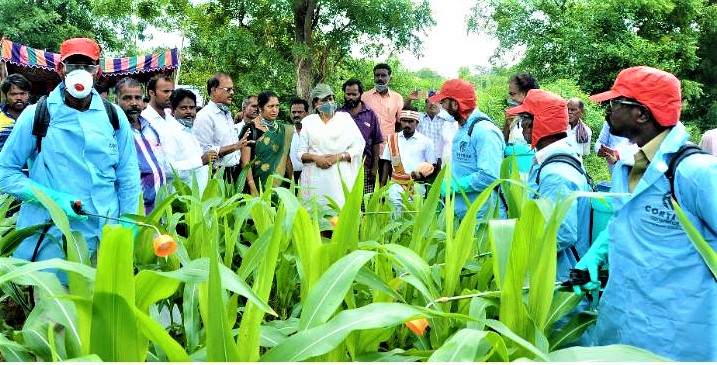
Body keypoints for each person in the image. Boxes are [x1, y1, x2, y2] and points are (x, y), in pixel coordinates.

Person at [574, 66, 717, 361]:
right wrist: (595, 255)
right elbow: (623, 221)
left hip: (679, 333)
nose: (607, 112)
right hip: (624, 318)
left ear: (641, 114)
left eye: (614, 104)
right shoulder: (627, 166)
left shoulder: (695, 173)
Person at [0, 38, 140, 278]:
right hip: (53, 241)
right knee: (57, 312)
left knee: (102, 311)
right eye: (73, 66)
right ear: (60, 69)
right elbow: (5, 172)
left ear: (98, 73)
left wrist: (128, 222)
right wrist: (53, 199)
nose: (81, 73)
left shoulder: (113, 116)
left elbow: (127, 174)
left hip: (105, 239)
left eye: (88, 67)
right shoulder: (36, 115)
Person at [507, 89, 591, 281]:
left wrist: (519, 248)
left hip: (559, 279)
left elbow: (561, 234)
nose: (521, 129)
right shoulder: (553, 158)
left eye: (524, 122)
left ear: (537, 124)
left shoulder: (556, 174)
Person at [430, 79, 506, 221]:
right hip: (465, 209)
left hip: (483, 213)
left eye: (444, 102)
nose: (441, 106)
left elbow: (489, 176)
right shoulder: (464, 128)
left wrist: (455, 185)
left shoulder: (485, 132)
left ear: (455, 103)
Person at [298, 83, 365, 208]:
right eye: (324, 99)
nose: (329, 102)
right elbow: (301, 153)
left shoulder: (345, 119)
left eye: (331, 98)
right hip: (315, 177)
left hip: (340, 177)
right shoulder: (308, 122)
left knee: (338, 215)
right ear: (315, 103)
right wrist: (316, 158)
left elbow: (358, 146)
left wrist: (338, 157)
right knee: (316, 216)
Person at [115, 77, 167, 214]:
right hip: (135, 211)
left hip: (159, 208)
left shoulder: (150, 127)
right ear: (116, 100)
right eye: (127, 98)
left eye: (138, 98)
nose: (134, 103)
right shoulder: (114, 132)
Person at [192, 73, 249, 184]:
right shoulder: (205, 116)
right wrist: (236, 146)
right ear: (214, 90)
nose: (232, 93)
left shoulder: (226, 113)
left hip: (234, 172)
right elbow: (205, 152)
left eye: (232, 89)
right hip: (217, 174)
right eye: (228, 89)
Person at [162, 88, 218, 194]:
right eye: (183, 108)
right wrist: (201, 161)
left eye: (192, 108)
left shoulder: (190, 129)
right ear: (173, 110)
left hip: (197, 197)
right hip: (181, 199)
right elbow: (167, 169)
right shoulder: (170, 132)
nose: (189, 112)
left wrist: (207, 166)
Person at [380, 110, 436, 212]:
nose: (407, 124)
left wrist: (422, 177)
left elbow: (432, 166)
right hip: (395, 187)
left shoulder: (426, 142)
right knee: (395, 221)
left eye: (411, 121)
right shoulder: (392, 139)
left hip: (416, 188)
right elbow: (386, 164)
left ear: (417, 123)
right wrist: (382, 189)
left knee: (413, 221)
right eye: (404, 121)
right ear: (400, 121)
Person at [240, 90, 294, 195]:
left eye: (277, 106)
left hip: (280, 188)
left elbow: (286, 158)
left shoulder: (283, 130)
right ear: (260, 108)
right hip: (257, 185)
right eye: (270, 106)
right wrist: (252, 187)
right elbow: (245, 162)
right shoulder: (250, 129)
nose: (275, 110)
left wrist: (292, 183)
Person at [338, 78, 383, 193]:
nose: (351, 97)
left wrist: (374, 167)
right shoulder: (338, 113)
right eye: (348, 94)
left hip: (365, 166)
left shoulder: (370, 114)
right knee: (345, 200)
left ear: (361, 94)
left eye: (354, 94)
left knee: (365, 203)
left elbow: (376, 141)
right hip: (343, 165)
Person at [361, 63, 405, 148]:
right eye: (377, 75)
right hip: (368, 145)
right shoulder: (364, 97)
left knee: (392, 162)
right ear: (374, 77)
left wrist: (393, 138)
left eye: (384, 75)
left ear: (390, 78)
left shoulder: (397, 98)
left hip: (389, 146)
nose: (380, 78)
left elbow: (400, 122)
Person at [418, 95, 457, 169]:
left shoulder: (448, 120)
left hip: (442, 161)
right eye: (429, 101)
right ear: (425, 104)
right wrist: (409, 99)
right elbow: (403, 113)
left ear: (441, 104)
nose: (432, 103)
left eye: (436, 101)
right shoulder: (418, 118)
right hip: (423, 162)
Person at [504, 73, 539, 144]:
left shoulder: (541, 117)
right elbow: (503, 143)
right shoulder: (514, 116)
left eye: (513, 94)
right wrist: (507, 126)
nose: (511, 98)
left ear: (526, 93)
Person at [0, 74, 31, 151]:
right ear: (5, 95)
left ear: (28, 94)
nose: (19, 98)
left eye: (22, 93)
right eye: (13, 94)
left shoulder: (37, 114)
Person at [289, 98, 309, 183]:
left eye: (300, 112)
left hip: (310, 175)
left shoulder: (313, 132)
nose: (296, 115)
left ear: (307, 113)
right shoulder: (287, 133)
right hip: (291, 177)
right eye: (293, 112)